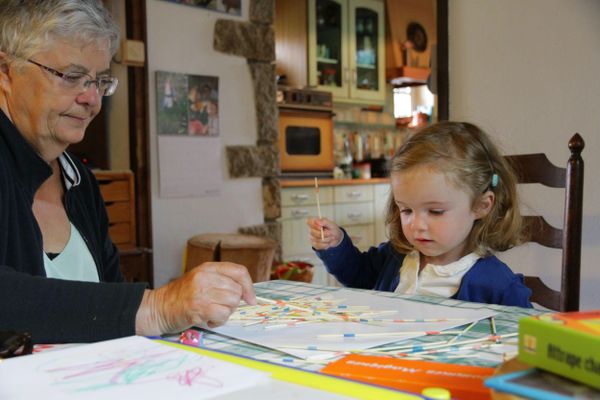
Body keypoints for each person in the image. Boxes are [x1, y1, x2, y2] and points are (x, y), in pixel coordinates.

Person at [0, 0, 256, 344]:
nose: (92, 98)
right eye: (72, 76)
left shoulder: (79, 180)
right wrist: (156, 307)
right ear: (5, 72)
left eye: (99, 81)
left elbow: (108, 297)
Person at [308, 121, 532, 308]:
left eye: (435, 211)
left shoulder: (499, 286)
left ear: (482, 206)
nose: (416, 225)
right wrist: (336, 245)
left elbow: (526, 344)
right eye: (406, 210)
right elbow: (358, 275)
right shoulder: (397, 256)